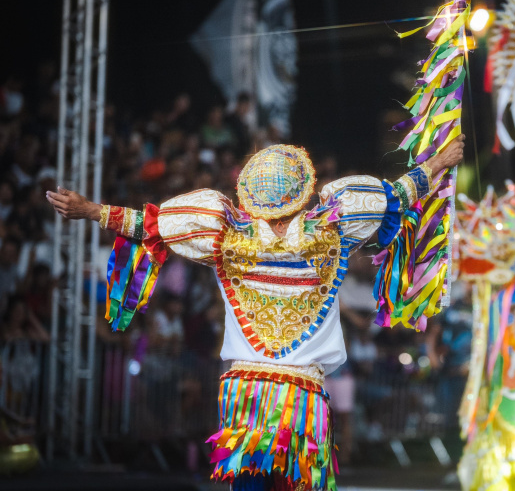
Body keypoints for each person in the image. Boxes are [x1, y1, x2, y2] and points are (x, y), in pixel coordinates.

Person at [46, 137, 464, 491]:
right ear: (303, 192)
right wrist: (439, 162)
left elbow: (150, 225)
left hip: (245, 394)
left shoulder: (227, 239)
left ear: (252, 197)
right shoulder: (330, 234)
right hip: (302, 397)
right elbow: (398, 196)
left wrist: (91, 210)